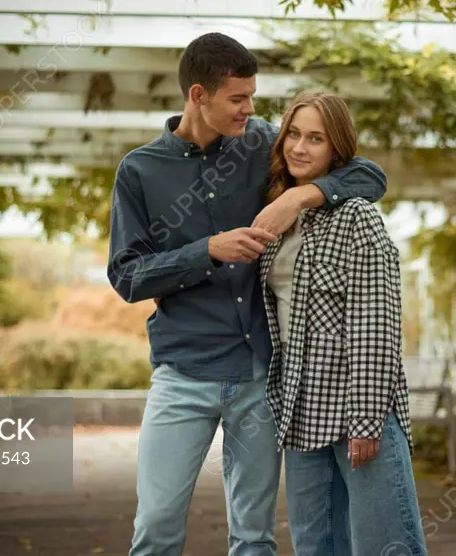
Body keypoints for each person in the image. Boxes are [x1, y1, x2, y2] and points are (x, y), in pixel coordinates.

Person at [106, 33, 388, 556]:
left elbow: (368, 175)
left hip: (260, 375)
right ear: (198, 95)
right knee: (157, 526)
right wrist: (205, 250)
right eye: (238, 98)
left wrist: (301, 196)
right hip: (183, 373)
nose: (250, 108)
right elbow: (126, 275)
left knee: (255, 537)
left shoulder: (262, 143)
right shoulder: (140, 171)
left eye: (252, 96)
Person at [258, 89, 427, 556]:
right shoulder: (280, 217)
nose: (299, 147)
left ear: (336, 149)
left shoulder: (357, 218)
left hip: (356, 404)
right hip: (300, 405)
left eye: (316, 138)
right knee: (315, 546)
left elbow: (377, 324)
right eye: (293, 133)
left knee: (386, 544)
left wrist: (368, 419)